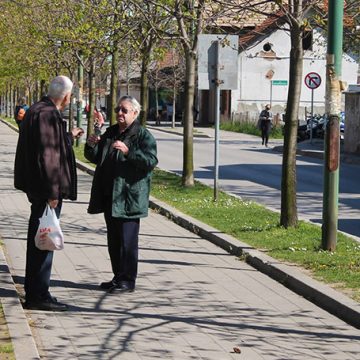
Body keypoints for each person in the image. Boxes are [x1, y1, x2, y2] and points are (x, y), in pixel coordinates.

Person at [14, 76, 84, 311]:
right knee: (45, 239)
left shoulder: (36, 110)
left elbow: (46, 146)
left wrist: (67, 137)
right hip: (45, 189)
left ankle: (37, 290)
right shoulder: (48, 114)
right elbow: (48, 155)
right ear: (66, 96)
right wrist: (53, 191)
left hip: (37, 186)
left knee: (40, 237)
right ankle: (38, 294)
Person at [84, 95, 158, 294]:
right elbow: (95, 157)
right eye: (118, 109)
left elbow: (150, 162)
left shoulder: (143, 135)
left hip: (129, 197)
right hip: (110, 196)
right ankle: (117, 277)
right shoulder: (111, 132)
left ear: (135, 113)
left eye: (124, 110)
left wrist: (129, 152)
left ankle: (127, 280)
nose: (120, 113)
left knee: (127, 243)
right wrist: (91, 144)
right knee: (114, 241)